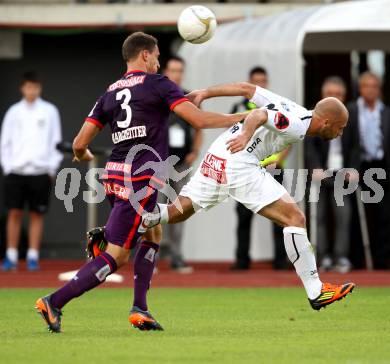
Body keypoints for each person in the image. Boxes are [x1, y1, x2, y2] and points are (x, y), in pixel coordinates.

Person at [34, 32, 243, 333]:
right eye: (157, 56)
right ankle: (54, 301)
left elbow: (80, 143)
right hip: (140, 179)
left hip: (114, 175)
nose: (158, 63)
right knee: (117, 255)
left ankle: (140, 308)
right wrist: (237, 121)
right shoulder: (158, 85)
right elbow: (196, 119)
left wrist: (84, 153)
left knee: (153, 231)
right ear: (145, 55)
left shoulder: (110, 91)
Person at [143, 82, 355, 311]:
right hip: (239, 162)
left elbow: (246, 88)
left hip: (218, 154)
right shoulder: (296, 124)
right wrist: (246, 134)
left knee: (177, 212)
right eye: (340, 128)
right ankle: (317, 291)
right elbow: (258, 114)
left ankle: (127, 222)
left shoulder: (293, 108)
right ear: (326, 122)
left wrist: (205, 92)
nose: (340, 133)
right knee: (295, 219)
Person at [0, 71, 63, 272]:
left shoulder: (50, 111)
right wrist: (8, 167)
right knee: (14, 213)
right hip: (16, 171)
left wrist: (51, 168)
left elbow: (57, 141)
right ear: (22, 88)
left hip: (40, 172)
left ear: (40, 88)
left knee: (37, 215)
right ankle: (10, 256)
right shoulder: (13, 112)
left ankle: (32, 256)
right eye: (28, 87)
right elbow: (5, 142)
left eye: (35, 87)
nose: (31, 91)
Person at [230, 66, 288, 271]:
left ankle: (281, 260)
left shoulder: (278, 107)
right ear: (251, 84)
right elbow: (230, 138)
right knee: (243, 215)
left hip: (273, 168)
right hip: (245, 170)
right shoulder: (238, 106)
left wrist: (278, 160)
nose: (261, 85)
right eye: (257, 82)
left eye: (263, 81)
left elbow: (287, 138)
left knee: (280, 215)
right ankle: (241, 260)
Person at [306, 76, 357, 273]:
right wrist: (315, 167)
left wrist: (353, 168)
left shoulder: (350, 115)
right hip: (320, 172)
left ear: (343, 96)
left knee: (343, 216)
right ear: (323, 96)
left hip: (342, 174)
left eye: (337, 94)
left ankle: (341, 257)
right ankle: (322, 256)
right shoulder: (314, 115)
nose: (334, 97)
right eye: (330, 94)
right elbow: (309, 145)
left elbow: (355, 146)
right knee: (318, 217)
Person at [346, 72, 390, 269]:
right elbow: (347, 142)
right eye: (366, 86)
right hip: (360, 167)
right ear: (360, 88)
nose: (370, 90)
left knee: (383, 213)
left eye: (374, 86)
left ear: (379, 89)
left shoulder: (387, 112)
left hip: (380, 165)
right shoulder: (351, 110)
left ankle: (382, 258)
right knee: (358, 213)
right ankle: (357, 258)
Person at [161, 56, 201, 273]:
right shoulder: (157, 95)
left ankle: (176, 255)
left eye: (179, 70)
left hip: (181, 163)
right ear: (166, 71)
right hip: (158, 162)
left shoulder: (189, 97)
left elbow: (199, 127)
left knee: (179, 208)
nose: (176, 74)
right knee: (152, 208)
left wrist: (195, 151)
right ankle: (151, 255)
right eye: (173, 70)